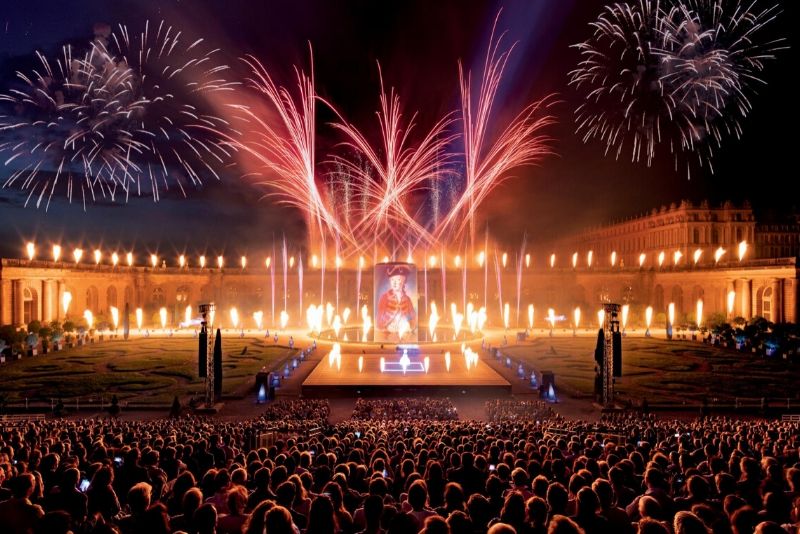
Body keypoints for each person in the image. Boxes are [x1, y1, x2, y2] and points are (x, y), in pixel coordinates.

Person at [376, 264, 417, 341]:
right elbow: (379, 322)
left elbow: (413, 318)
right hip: (387, 336)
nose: (394, 283)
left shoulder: (407, 299)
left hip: (404, 335)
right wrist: (387, 326)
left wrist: (408, 326)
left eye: (397, 280)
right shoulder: (384, 298)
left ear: (403, 281)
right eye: (392, 280)